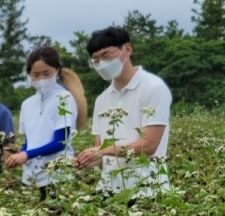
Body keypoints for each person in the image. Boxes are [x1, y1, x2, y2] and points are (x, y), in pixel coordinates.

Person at [73, 27, 173, 197]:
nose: (101, 64)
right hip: (109, 192)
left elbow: (149, 145)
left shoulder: (153, 88)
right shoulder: (102, 99)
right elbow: (101, 150)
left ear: (127, 49)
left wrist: (102, 151)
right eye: (95, 60)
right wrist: (87, 159)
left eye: (106, 55)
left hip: (146, 191)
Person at [4, 46, 87, 199]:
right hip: (33, 176)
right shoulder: (27, 104)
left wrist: (27, 155)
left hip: (57, 176)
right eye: (35, 75)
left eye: (46, 73)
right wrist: (21, 154)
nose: (41, 79)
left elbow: (60, 142)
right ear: (29, 75)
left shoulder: (64, 99)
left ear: (57, 70)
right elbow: (30, 142)